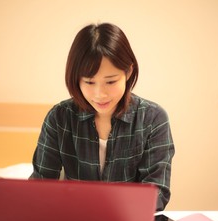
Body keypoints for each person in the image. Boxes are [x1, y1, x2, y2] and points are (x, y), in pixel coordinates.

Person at [30, 23, 175, 211]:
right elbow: (41, 187)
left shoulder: (153, 119)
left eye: (111, 81)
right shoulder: (60, 118)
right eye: (89, 82)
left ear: (128, 72)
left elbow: (157, 193)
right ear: (76, 79)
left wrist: (112, 210)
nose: (100, 94)